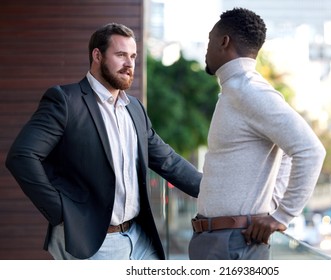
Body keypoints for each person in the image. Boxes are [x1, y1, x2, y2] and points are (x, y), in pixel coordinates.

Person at [5, 23, 201, 260]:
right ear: (97, 55)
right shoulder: (66, 101)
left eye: (133, 56)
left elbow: (168, 161)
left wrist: (214, 190)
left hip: (139, 240)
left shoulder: (135, 109)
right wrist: (60, 213)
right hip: (91, 244)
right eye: (120, 55)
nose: (129, 64)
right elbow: (22, 156)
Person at [188, 8, 326, 260]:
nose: (205, 49)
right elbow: (283, 152)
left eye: (209, 40)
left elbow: (310, 149)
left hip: (234, 243)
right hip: (222, 240)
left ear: (224, 41)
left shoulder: (249, 91)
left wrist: (281, 215)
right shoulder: (235, 91)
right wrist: (270, 203)